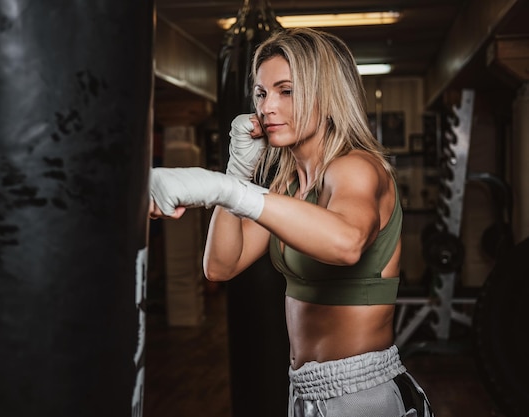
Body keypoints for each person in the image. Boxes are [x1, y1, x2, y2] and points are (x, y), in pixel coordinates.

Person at [149, 27, 434, 417]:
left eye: (287, 90)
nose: (268, 107)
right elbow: (220, 265)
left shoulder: (355, 168)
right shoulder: (288, 189)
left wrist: (223, 191)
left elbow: (346, 242)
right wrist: (235, 175)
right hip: (304, 390)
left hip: (360, 394)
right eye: (262, 93)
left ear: (327, 94)